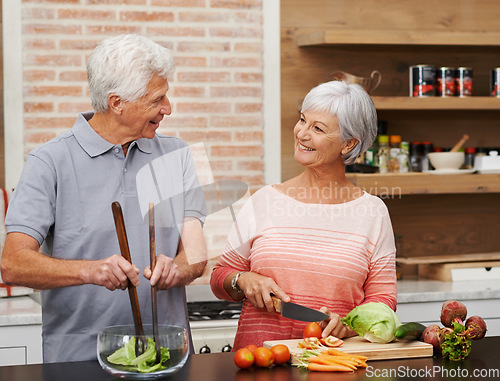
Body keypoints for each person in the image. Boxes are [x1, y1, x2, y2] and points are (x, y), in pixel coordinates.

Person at [0, 34, 207, 363]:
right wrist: (89, 271)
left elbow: (196, 254)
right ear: (117, 102)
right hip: (81, 358)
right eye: (157, 99)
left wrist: (178, 268)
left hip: (169, 355)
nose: (168, 108)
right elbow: (12, 264)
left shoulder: (178, 154)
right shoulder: (48, 161)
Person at [210, 80, 397, 350]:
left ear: (349, 144)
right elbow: (219, 278)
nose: (302, 133)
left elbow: (383, 299)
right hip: (260, 363)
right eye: (302, 120)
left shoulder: (373, 212)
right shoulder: (264, 200)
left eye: (317, 128)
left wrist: (351, 322)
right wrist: (243, 279)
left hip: (334, 364)